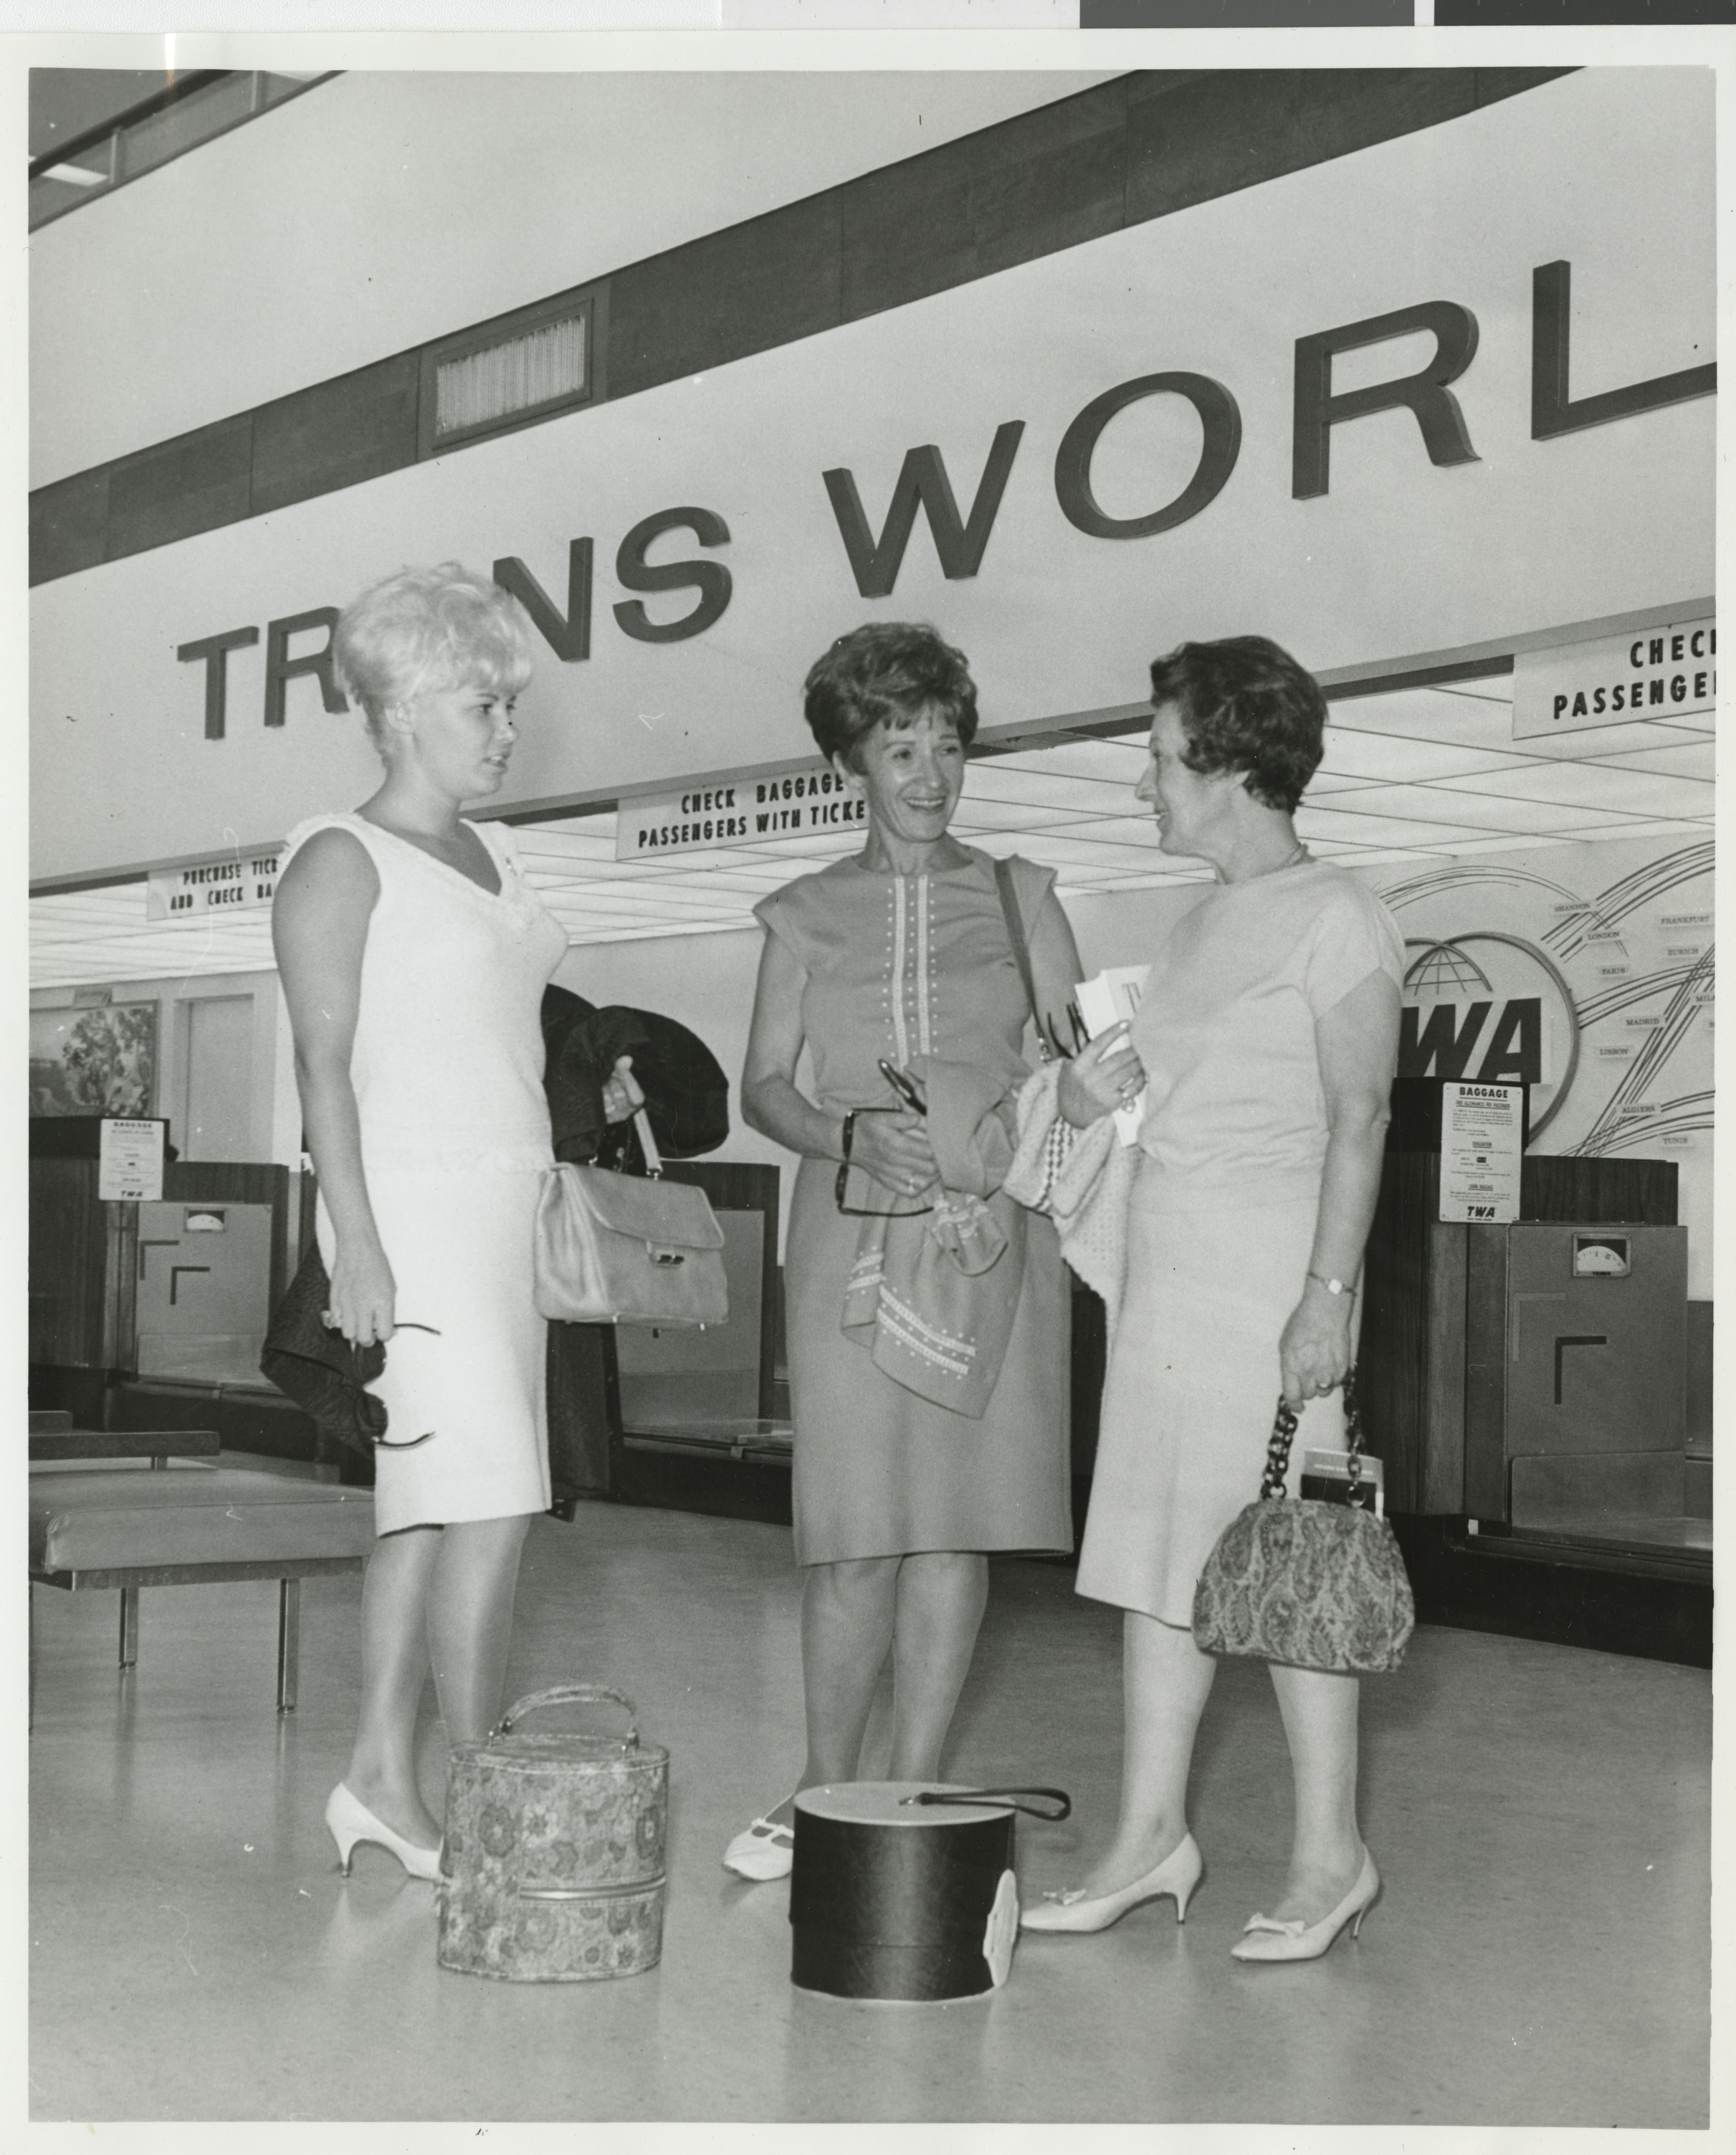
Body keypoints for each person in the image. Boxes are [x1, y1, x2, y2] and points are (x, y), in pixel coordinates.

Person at [1018, 634, 1403, 1962]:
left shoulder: (1338, 912)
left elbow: (1361, 1120)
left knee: (1287, 1563)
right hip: (1168, 1283)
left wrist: (1325, 1297)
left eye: (1159, 755)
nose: (1143, 783)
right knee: (1154, 1565)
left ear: (1231, 762)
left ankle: (1327, 1855)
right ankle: (1147, 1838)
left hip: (1270, 1281)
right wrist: (1095, 1098)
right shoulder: (1190, 928)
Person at [272, 563, 641, 1880]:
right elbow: (322, 1072)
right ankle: (486, 1791)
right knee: (488, 1501)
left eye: (508, 707)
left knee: (426, 1504)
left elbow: (496, 1016)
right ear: (405, 705)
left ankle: (380, 1774)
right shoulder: (338, 856)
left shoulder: (498, 853)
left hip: (506, 1203)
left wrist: (586, 1076)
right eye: (483, 705)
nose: (505, 730)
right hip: (411, 1211)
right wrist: (354, 1246)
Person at [724, 621, 1083, 1880]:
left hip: (991, 1245)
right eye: (897, 747)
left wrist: (1020, 1113)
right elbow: (757, 1089)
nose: (929, 773)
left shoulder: (1022, 895)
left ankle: (915, 1787)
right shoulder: (802, 914)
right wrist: (844, 1133)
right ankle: (826, 1790)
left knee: (952, 1527)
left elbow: (1075, 1077)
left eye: (946, 744)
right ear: (849, 762)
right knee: (855, 1528)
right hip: (849, 1234)